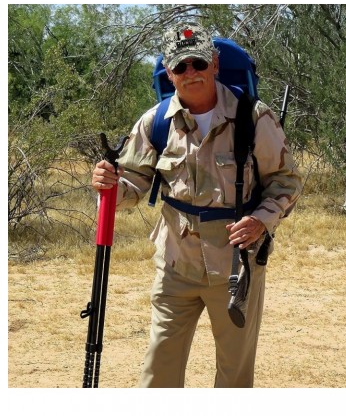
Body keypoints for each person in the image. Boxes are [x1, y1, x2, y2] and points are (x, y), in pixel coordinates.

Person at [91, 21, 302, 388]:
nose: (191, 73)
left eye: (198, 63)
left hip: (237, 268)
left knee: (234, 376)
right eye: (180, 66)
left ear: (214, 64)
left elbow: (287, 181)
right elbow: (133, 185)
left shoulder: (252, 117)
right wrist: (109, 186)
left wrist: (261, 221)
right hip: (176, 265)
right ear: (169, 73)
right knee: (159, 372)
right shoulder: (155, 123)